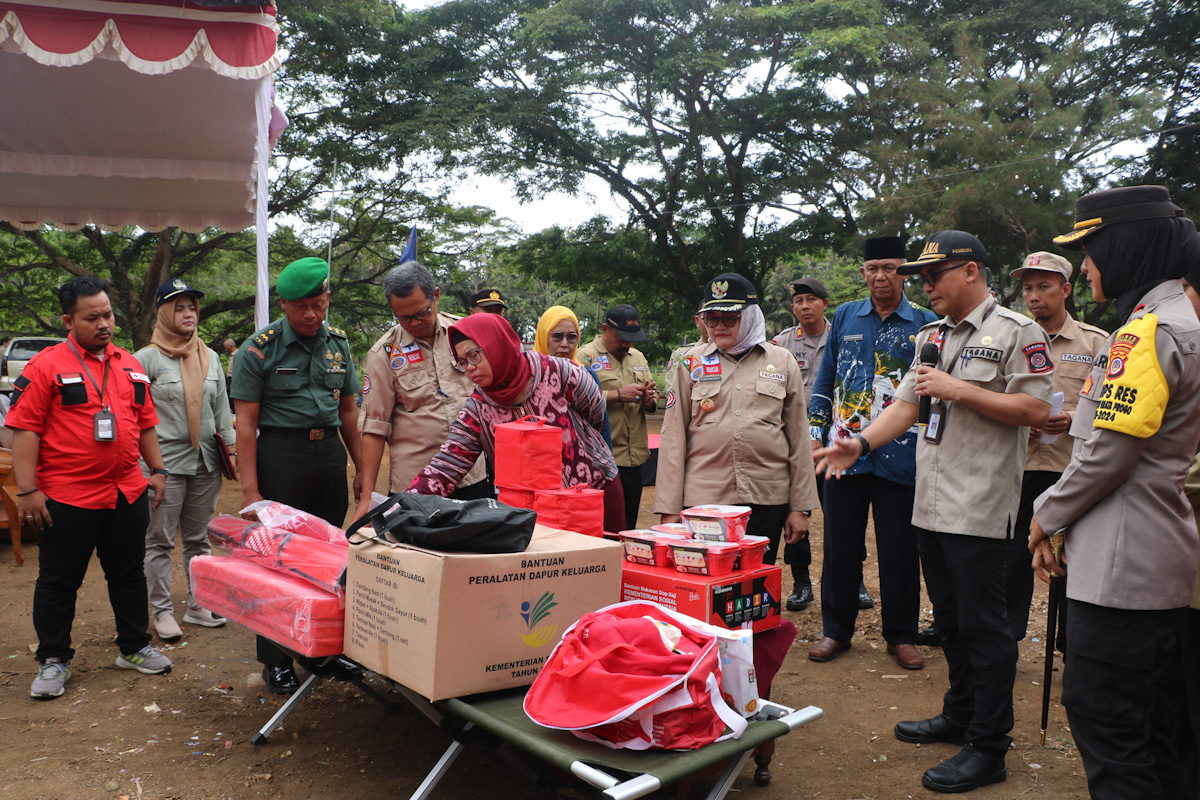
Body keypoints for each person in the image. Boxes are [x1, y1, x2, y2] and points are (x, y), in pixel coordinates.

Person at [816, 230, 1053, 793]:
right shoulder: (930, 335)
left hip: (980, 508)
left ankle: (990, 746)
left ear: (970, 271)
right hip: (930, 505)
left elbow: (1035, 407)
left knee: (985, 629)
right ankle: (960, 714)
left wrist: (958, 388)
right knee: (949, 625)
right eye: (920, 275)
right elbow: (906, 405)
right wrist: (861, 444)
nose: (923, 284)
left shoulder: (1018, 332)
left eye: (933, 274)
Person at [1030, 185, 1200, 800]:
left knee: (1109, 726)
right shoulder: (1179, 321)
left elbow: (1109, 452)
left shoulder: (1146, 333)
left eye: (1092, 248)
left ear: (1125, 246)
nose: (1084, 266)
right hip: (1156, 554)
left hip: (1123, 564)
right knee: (1156, 727)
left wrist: (1046, 515)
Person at [9, 276, 174, 700]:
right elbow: (25, 430)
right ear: (69, 319)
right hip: (66, 498)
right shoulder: (46, 365)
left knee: (128, 575)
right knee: (59, 581)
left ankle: (134, 647)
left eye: (108, 314)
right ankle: (53, 659)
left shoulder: (130, 364)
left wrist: (156, 470)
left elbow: (146, 423)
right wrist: (27, 492)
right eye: (92, 317)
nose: (105, 324)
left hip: (126, 493)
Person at [230, 257, 362, 695]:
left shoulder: (338, 344)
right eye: (301, 307)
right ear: (282, 304)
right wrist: (251, 491)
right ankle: (276, 659)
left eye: (319, 305)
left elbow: (348, 412)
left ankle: (323, 648)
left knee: (329, 557)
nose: (311, 315)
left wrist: (361, 468)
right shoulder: (258, 349)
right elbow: (244, 425)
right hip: (280, 455)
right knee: (278, 560)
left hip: (327, 455)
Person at [807, 236, 938, 670]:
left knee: (900, 549)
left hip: (902, 456)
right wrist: (815, 432)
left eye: (890, 267)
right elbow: (825, 379)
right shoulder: (844, 315)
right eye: (872, 268)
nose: (881, 276)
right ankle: (835, 631)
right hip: (845, 452)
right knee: (840, 546)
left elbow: (930, 393)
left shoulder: (925, 321)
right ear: (863, 273)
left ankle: (901, 635)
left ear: (903, 271)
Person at [655, 273, 818, 566]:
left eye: (729, 318)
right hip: (704, 498)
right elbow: (672, 437)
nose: (718, 326)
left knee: (756, 583)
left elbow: (798, 439)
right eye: (711, 318)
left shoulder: (782, 361)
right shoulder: (690, 363)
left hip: (767, 497)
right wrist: (669, 508)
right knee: (707, 582)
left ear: (751, 316)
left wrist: (800, 508)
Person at [408, 314, 621, 530]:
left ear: (494, 345)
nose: (469, 367)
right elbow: (446, 465)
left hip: (595, 494)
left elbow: (595, 413)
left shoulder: (560, 372)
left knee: (608, 561)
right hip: (537, 513)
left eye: (473, 356)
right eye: (462, 362)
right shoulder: (478, 409)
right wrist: (403, 505)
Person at [1003, 252, 1106, 644]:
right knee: (1013, 558)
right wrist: (1019, 420)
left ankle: (1071, 645)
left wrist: (1073, 416)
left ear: (1065, 289)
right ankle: (1006, 641)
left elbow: (1109, 405)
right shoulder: (1013, 338)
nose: (1034, 296)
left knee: (1070, 559)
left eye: (1043, 286)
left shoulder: (1097, 342)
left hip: (1070, 470)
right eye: (1028, 288)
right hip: (1021, 467)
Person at [352, 262, 491, 523]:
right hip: (415, 485)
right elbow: (374, 427)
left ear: (436, 296)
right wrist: (368, 495)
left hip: (471, 476)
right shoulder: (384, 353)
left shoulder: (465, 333)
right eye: (403, 318)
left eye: (422, 313)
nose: (414, 323)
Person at [136, 279, 235, 641]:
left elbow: (222, 411)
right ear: (163, 312)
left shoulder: (209, 356)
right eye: (179, 307)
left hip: (205, 462)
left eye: (191, 306)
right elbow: (133, 416)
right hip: (164, 466)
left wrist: (233, 451)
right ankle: (162, 611)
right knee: (159, 540)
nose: (188, 313)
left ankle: (197, 604)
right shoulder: (145, 359)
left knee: (198, 538)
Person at [770, 277, 834, 611]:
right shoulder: (780, 346)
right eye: (798, 301)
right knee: (795, 513)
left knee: (840, 513)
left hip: (834, 442)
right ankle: (801, 582)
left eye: (811, 299)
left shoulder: (839, 339)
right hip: (794, 444)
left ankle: (852, 583)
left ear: (825, 303)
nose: (804, 306)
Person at [577, 305, 656, 529]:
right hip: (602, 458)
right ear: (605, 329)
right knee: (603, 525)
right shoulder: (586, 356)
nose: (627, 344)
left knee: (628, 523)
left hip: (634, 457)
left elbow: (652, 402)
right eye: (622, 337)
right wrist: (619, 395)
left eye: (632, 339)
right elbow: (578, 400)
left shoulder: (638, 357)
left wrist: (648, 398)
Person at [533, 305, 613, 450]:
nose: (564, 344)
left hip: (579, 463)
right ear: (543, 336)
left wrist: (609, 469)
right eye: (557, 336)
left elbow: (602, 429)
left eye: (571, 337)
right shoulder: (529, 375)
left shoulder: (587, 376)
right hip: (536, 459)